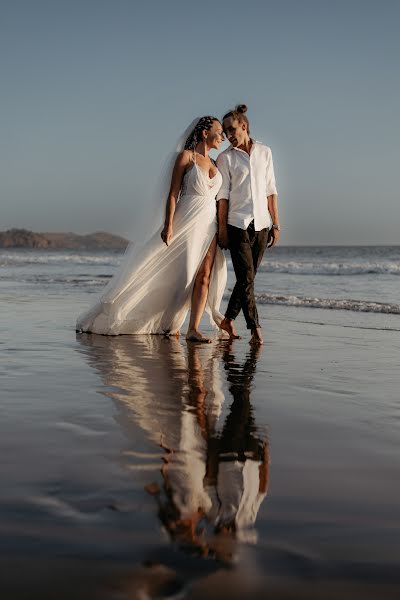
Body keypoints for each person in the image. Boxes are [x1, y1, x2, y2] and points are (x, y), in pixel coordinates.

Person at [76, 116, 227, 342]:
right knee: (183, 276)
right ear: (205, 133)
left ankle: (193, 329)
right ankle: (166, 320)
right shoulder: (186, 158)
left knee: (204, 276)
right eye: (219, 131)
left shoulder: (216, 164)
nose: (223, 136)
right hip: (187, 221)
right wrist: (168, 225)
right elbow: (173, 193)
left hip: (209, 224)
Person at [216, 105, 280, 345]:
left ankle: (228, 319)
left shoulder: (265, 152)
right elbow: (222, 196)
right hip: (237, 224)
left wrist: (276, 224)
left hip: (262, 224)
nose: (228, 135)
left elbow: (271, 190)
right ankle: (255, 328)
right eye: (225, 131)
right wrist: (222, 230)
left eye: (231, 129)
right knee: (247, 278)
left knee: (248, 279)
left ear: (243, 125)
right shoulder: (226, 158)